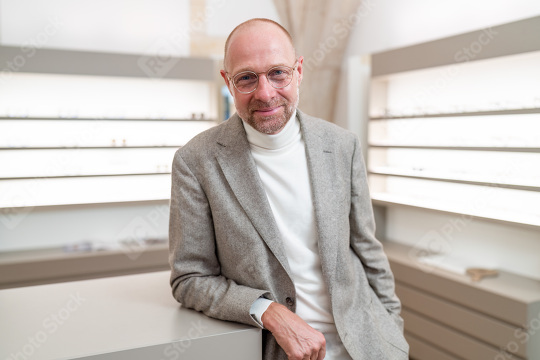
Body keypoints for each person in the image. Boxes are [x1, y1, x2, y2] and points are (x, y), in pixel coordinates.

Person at [169, 18, 409, 360]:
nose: (265, 93)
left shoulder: (342, 145)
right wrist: (269, 311)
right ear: (228, 81)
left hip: (367, 345)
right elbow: (190, 279)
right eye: (247, 78)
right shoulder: (196, 161)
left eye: (277, 73)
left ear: (298, 71)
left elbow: (367, 250)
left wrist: (393, 330)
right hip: (281, 350)